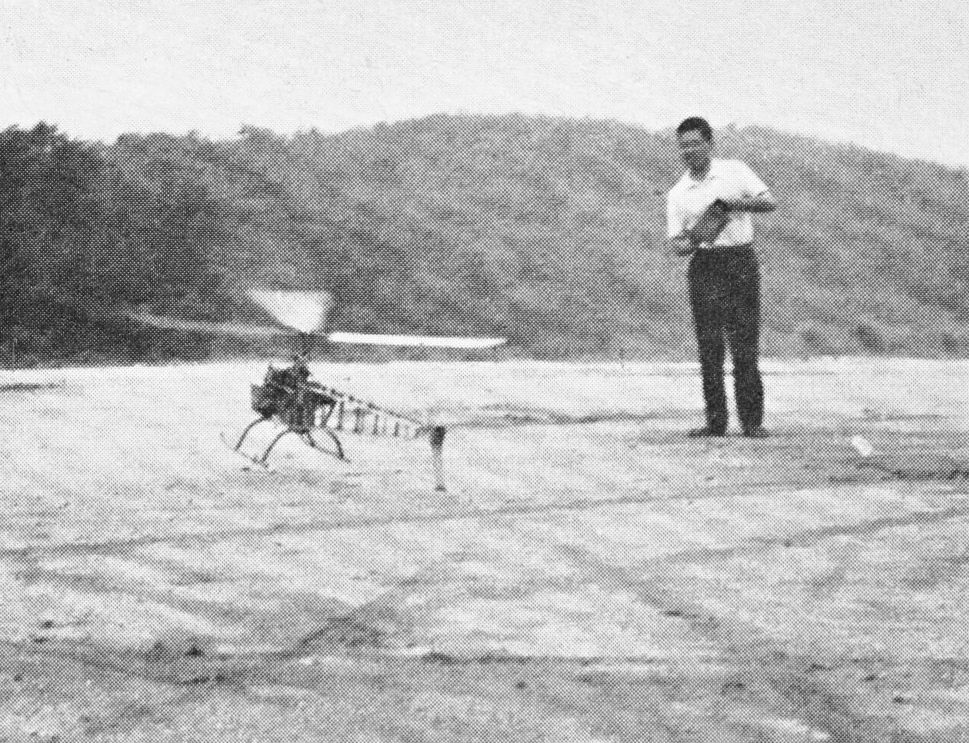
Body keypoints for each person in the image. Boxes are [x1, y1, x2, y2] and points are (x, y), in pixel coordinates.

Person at [666, 117, 777, 438]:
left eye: (695, 144)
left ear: (710, 144)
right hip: (705, 265)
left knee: (745, 343)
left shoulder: (735, 170)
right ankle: (715, 422)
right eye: (683, 146)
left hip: (740, 261)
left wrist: (731, 204)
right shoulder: (678, 193)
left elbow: (769, 202)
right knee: (709, 346)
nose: (689, 151)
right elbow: (677, 246)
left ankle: (752, 422)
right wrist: (697, 235)